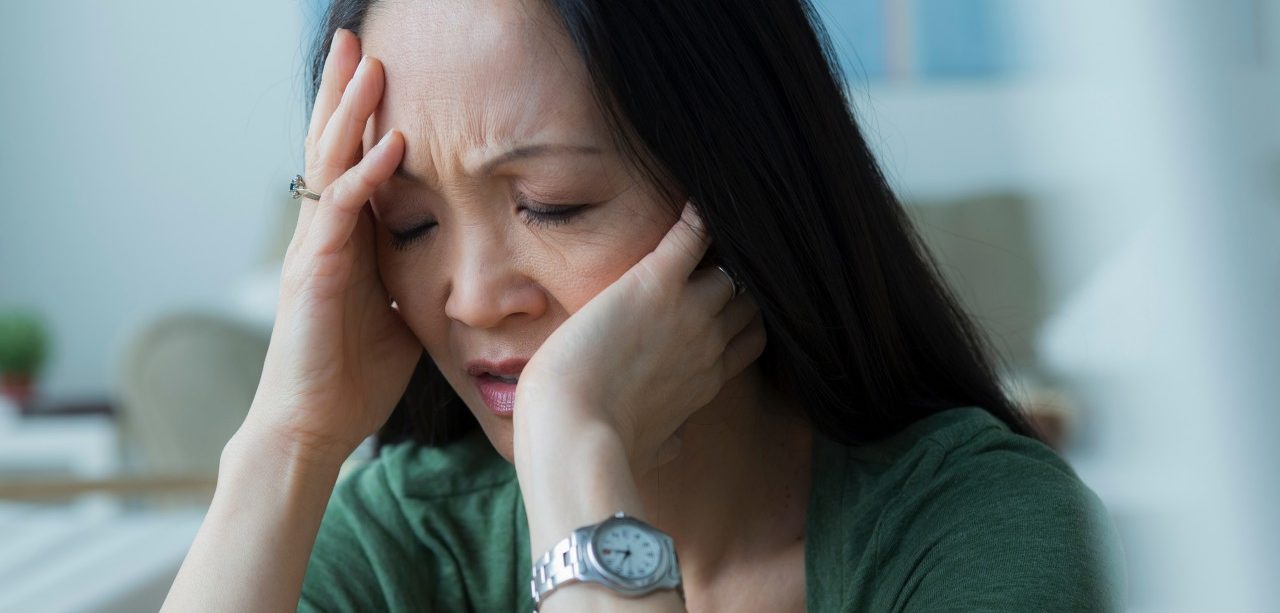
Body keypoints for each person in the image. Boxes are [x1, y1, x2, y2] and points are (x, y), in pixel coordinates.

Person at [163, 0, 1127, 611]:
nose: (470, 296)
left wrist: (580, 455)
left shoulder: (986, 534)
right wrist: (286, 438)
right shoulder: (411, 541)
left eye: (553, 206)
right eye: (409, 224)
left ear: (742, 193)